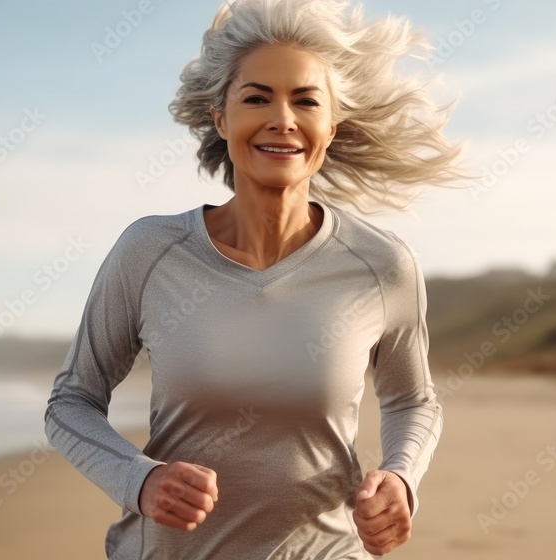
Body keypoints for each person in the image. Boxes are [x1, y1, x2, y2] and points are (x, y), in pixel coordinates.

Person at [44, 0, 463, 557]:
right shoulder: (150, 252)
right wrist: (137, 479)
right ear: (221, 118)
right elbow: (71, 402)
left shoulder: (380, 264)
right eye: (257, 97)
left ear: (331, 126)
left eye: (306, 101)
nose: (282, 119)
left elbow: (413, 400)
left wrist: (401, 478)